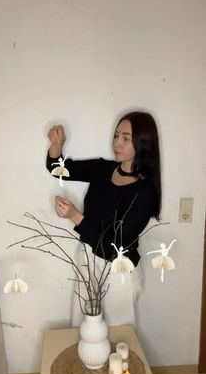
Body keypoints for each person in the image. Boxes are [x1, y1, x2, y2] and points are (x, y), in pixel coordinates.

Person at [46, 111, 161, 326]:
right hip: (87, 259)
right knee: (84, 330)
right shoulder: (103, 169)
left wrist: (75, 216)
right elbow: (57, 170)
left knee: (120, 339)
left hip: (119, 272)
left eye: (126, 138)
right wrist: (56, 144)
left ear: (143, 143)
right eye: (116, 135)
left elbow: (114, 248)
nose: (116, 142)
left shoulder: (145, 192)